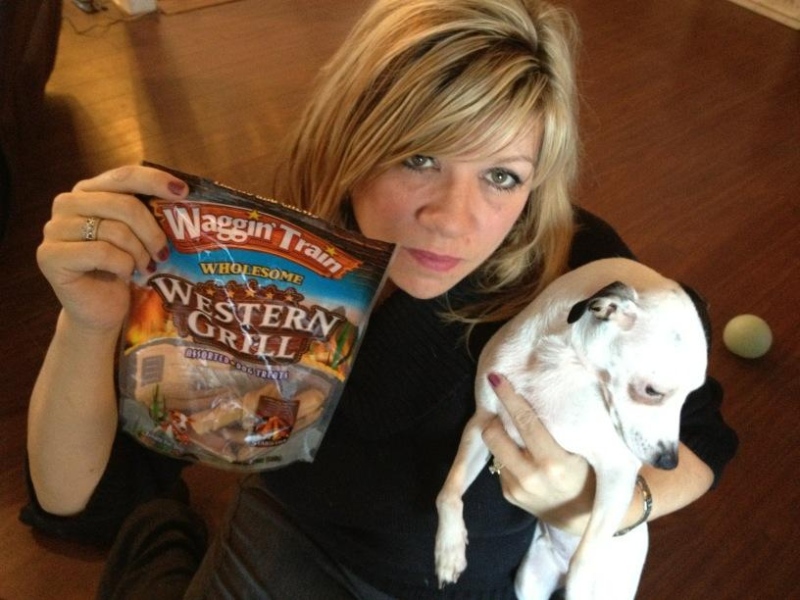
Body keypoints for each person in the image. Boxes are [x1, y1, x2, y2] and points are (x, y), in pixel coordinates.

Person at [24, 0, 738, 598]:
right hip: (280, 543)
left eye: (502, 176)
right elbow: (75, 496)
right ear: (352, 138)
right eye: (419, 157)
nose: (454, 220)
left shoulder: (577, 280)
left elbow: (696, 446)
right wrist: (87, 323)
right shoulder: (263, 263)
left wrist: (598, 507)